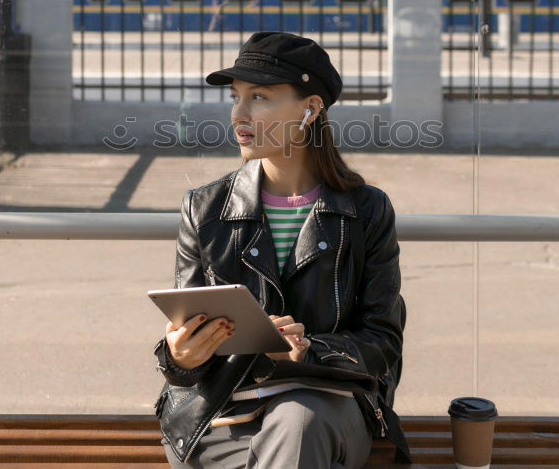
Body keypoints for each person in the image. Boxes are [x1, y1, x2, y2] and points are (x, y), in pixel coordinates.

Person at [152, 31, 412, 468]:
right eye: (236, 97)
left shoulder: (366, 211)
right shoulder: (204, 208)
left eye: (259, 97)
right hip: (224, 413)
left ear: (310, 109)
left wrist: (309, 350)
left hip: (327, 406)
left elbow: (383, 340)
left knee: (299, 420)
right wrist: (180, 357)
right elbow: (189, 332)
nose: (239, 114)